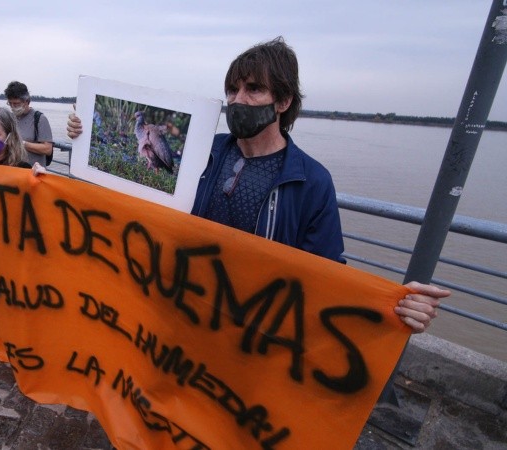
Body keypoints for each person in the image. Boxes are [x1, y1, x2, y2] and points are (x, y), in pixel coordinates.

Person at [67, 37, 449, 333]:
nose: (238, 100)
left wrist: (392, 304)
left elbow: (326, 277)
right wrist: (80, 149)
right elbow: (139, 200)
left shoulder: (312, 182)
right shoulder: (205, 152)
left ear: (282, 101)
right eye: (232, 90)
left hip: (248, 330)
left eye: (253, 89)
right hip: (178, 308)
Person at [4, 81, 53, 167]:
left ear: (26, 101)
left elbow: (48, 149)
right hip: (13, 169)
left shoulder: (40, 119)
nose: (12, 107)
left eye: (16, 104)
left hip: (33, 173)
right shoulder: (10, 118)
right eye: (10, 103)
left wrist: (22, 144)